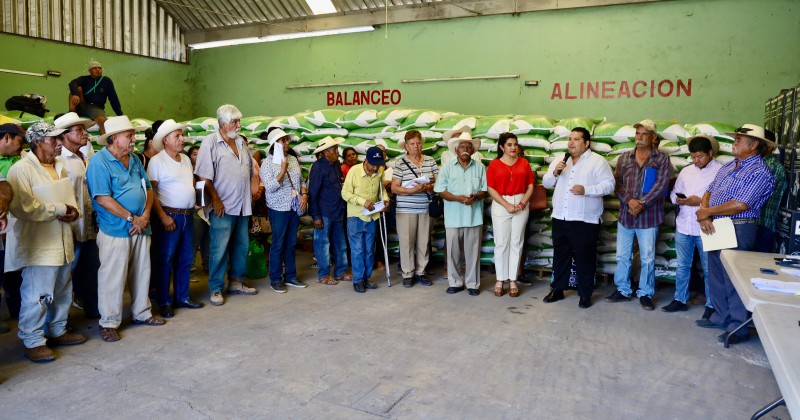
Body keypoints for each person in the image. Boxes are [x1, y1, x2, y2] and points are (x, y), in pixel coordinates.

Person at [5, 122, 85, 362]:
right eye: (53, 140)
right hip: (39, 244)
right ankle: (33, 340)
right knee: (37, 294)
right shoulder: (21, 169)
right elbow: (23, 207)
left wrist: (74, 212)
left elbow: (70, 198)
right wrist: (60, 209)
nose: (59, 143)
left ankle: (58, 329)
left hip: (62, 239)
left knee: (62, 290)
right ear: (38, 142)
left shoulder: (59, 166)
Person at [86, 115, 165, 343]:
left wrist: (145, 216)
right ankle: (109, 322)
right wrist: (132, 218)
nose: (133, 139)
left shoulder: (134, 160)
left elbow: (148, 189)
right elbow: (102, 198)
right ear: (113, 139)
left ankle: (142, 312)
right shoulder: (99, 162)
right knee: (113, 276)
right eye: (129, 136)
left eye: (133, 135)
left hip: (142, 226)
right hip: (115, 228)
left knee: (142, 271)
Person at [695, 124, 775, 345]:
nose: (734, 143)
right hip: (717, 225)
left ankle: (738, 327)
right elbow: (709, 191)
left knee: (734, 279)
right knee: (716, 274)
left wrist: (706, 212)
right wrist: (705, 216)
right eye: (736, 139)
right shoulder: (729, 166)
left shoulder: (759, 171)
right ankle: (721, 317)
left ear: (754, 145)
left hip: (739, 226)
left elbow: (741, 204)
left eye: (739, 140)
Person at [194, 104, 260, 306]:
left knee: (241, 245)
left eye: (239, 121)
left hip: (242, 205)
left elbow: (250, 170)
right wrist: (215, 199)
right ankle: (215, 288)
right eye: (235, 122)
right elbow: (204, 176)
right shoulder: (210, 143)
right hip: (223, 205)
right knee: (219, 248)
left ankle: (236, 281)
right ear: (223, 124)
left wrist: (255, 189)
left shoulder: (240, 142)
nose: (239, 125)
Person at [542, 127, 615, 308]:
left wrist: (587, 190)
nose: (571, 143)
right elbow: (546, 183)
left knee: (585, 257)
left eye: (576, 139)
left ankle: (585, 294)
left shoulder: (597, 161)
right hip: (561, 216)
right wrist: (555, 173)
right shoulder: (561, 160)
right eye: (569, 139)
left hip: (585, 220)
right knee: (560, 255)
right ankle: (557, 289)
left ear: (586, 143)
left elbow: (609, 185)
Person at [606, 119, 672, 310]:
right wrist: (630, 201)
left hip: (649, 217)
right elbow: (617, 183)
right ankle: (623, 290)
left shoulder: (661, 159)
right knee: (622, 255)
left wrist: (642, 203)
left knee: (648, 257)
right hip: (627, 215)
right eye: (637, 134)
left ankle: (645, 293)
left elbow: (661, 186)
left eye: (644, 134)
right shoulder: (624, 158)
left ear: (653, 138)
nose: (640, 137)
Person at [147, 120, 205, 318]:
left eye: (181, 135)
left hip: (188, 215)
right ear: (165, 140)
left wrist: (195, 201)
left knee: (185, 258)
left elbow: (190, 184)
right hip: (169, 216)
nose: (182, 139)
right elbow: (151, 192)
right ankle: (164, 301)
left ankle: (182, 297)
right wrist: (162, 217)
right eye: (177, 136)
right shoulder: (157, 162)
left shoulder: (186, 160)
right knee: (166, 259)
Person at [663, 135, 722, 315]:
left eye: (700, 157)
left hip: (706, 228)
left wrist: (699, 202)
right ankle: (680, 299)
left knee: (708, 268)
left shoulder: (720, 171)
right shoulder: (686, 171)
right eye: (693, 157)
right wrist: (679, 200)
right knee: (682, 266)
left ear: (710, 153)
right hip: (684, 226)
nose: (696, 161)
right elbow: (673, 193)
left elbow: (722, 199)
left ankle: (711, 305)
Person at [54, 112, 101, 319]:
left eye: (84, 129)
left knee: (92, 269)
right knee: (66, 275)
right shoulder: (59, 160)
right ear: (64, 136)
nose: (85, 134)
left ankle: (92, 308)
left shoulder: (87, 158)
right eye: (78, 130)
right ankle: (60, 322)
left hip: (90, 224)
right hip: (72, 225)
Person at [433, 128, 486, 296]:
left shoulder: (480, 168)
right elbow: (440, 190)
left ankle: (472, 284)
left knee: (473, 254)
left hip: (473, 217)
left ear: (473, 150)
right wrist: (456, 198)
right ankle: (455, 282)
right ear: (456, 150)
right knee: (453, 253)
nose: (465, 149)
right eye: (462, 146)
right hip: (453, 218)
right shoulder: (447, 168)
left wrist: (475, 197)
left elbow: (484, 190)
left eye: (468, 147)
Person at [261, 128, 308, 293]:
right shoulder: (266, 163)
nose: (287, 143)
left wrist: (304, 194)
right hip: (278, 208)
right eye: (284, 140)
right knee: (278, 243)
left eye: (287, 140)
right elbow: (270, 187)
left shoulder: (293, 160)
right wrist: (282, 170)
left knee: (291, 243)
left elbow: (301, 180)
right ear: (275, 144)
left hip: (293, 207)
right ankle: (275, 279)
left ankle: (291, 276)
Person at [486, 132, 534, 298]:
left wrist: (522, 203)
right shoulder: (494, 165)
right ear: (502, 147)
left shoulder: (524, 163)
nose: (513, 148)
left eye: (515, 144)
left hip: (521, 201)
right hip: (501, 204)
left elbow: (530, 186)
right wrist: (506, 204)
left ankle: (513, 279)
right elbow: (491, 188)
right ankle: (500, 279)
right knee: (501, 242)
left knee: (516, 242)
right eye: (509, 145)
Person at [391, 130, 438, 288]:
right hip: (406, 209)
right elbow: (395, 188)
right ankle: (407, 273)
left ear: (422, 144)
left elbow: (439, 184)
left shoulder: (430, 161)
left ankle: (421, 272)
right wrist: (411, 191)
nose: (416, 146)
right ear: (406, 146)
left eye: (418, 143)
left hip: (426, 207)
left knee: (424, 241)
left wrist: (428, 186)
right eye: (412, 144)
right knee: (407, 241)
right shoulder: (400, 163)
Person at [342, 146, 389, 293]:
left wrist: (385, 201)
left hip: (372, 216)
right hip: (356, 216)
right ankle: (358, 280)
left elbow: (383, 191)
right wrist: (363, 202)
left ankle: (366, 278)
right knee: (357, 250)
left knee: (369, 250)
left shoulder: (380, 171)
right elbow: (345, 193)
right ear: (366, 160)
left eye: (378, 164)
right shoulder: (354, 171)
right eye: (373, 164)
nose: (376, 167)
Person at [308, 136, 353, 285]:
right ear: (326, 152)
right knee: (322, 244)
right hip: (324, 213)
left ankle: (340, 272)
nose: (337, 151)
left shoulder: (335, 165)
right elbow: (313, 193)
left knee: (341, 244)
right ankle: (323, 275)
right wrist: (316, 216)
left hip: (337, 211)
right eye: (334, 149)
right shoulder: (318, 167)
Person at [0, 123, 24, 327]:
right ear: (6, 137)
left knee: (16, 268)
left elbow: (4, 186)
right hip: (5, 226)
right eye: (18, 141)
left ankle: (19, 310)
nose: (21, 146)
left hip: (14, 222)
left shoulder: (21, 159)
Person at [753, 130, 787, 252]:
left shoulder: (771, 167)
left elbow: (751, 197)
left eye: (757, 144)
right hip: (756, 225)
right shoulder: (758, 164)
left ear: (768, 147)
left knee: (753, 266)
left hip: (762, 225)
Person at [68, 60, 123, 134]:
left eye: (99, 68)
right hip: (82, 105)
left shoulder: (106, 81)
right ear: (89, 71)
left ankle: (105, 142)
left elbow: (113, 98)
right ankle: (72, 113)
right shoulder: (84, 79)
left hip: (96, 108)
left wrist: (120, 114)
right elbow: (72, 83)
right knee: (77, 89)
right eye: (94, 68)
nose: (97, 70)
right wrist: (75, 94)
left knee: (103, 122)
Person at [186, 145, 209, 272]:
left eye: (199, 154)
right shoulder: (187, 170)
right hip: (195, 209)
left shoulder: (206, 170)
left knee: (207, 239)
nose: (197, 156)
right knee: (194, 239)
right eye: (194, 154)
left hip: (206, 207)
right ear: (189, 156)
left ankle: (207, 264)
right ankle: (191, 266)